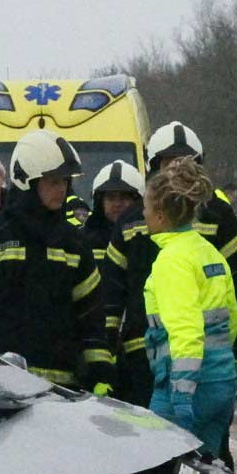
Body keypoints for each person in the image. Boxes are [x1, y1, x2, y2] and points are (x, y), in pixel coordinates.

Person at [0, 131, 112, 388]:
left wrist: (101, 374)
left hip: (62, 393)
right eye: (53, 181)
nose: (61, 189)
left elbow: (92, 317)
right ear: (26, 181)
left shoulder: (74, 244)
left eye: (65, 181)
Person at [141, 161, 237, 453]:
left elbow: (186, 329)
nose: (143, 214)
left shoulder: (171, 261)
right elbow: (231, 319)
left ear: (160, 215)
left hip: (186, 388)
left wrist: (182, 394)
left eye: (146, 207)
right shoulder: (209, 252)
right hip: (222, 381)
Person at [145, 121, 237, 330]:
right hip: (151, 343)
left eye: (184, 164)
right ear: (154, 167)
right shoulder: (136, 216)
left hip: (209, 343)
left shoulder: (219, 214)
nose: (178, 172)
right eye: (170, 165)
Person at [84, 160, 155, 407]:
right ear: (98, 201)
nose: (117, 204)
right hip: (96, 341)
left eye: (125, 197)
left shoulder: (147, 240)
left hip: (137, 345)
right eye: (111, 197)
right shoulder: (84, 241)